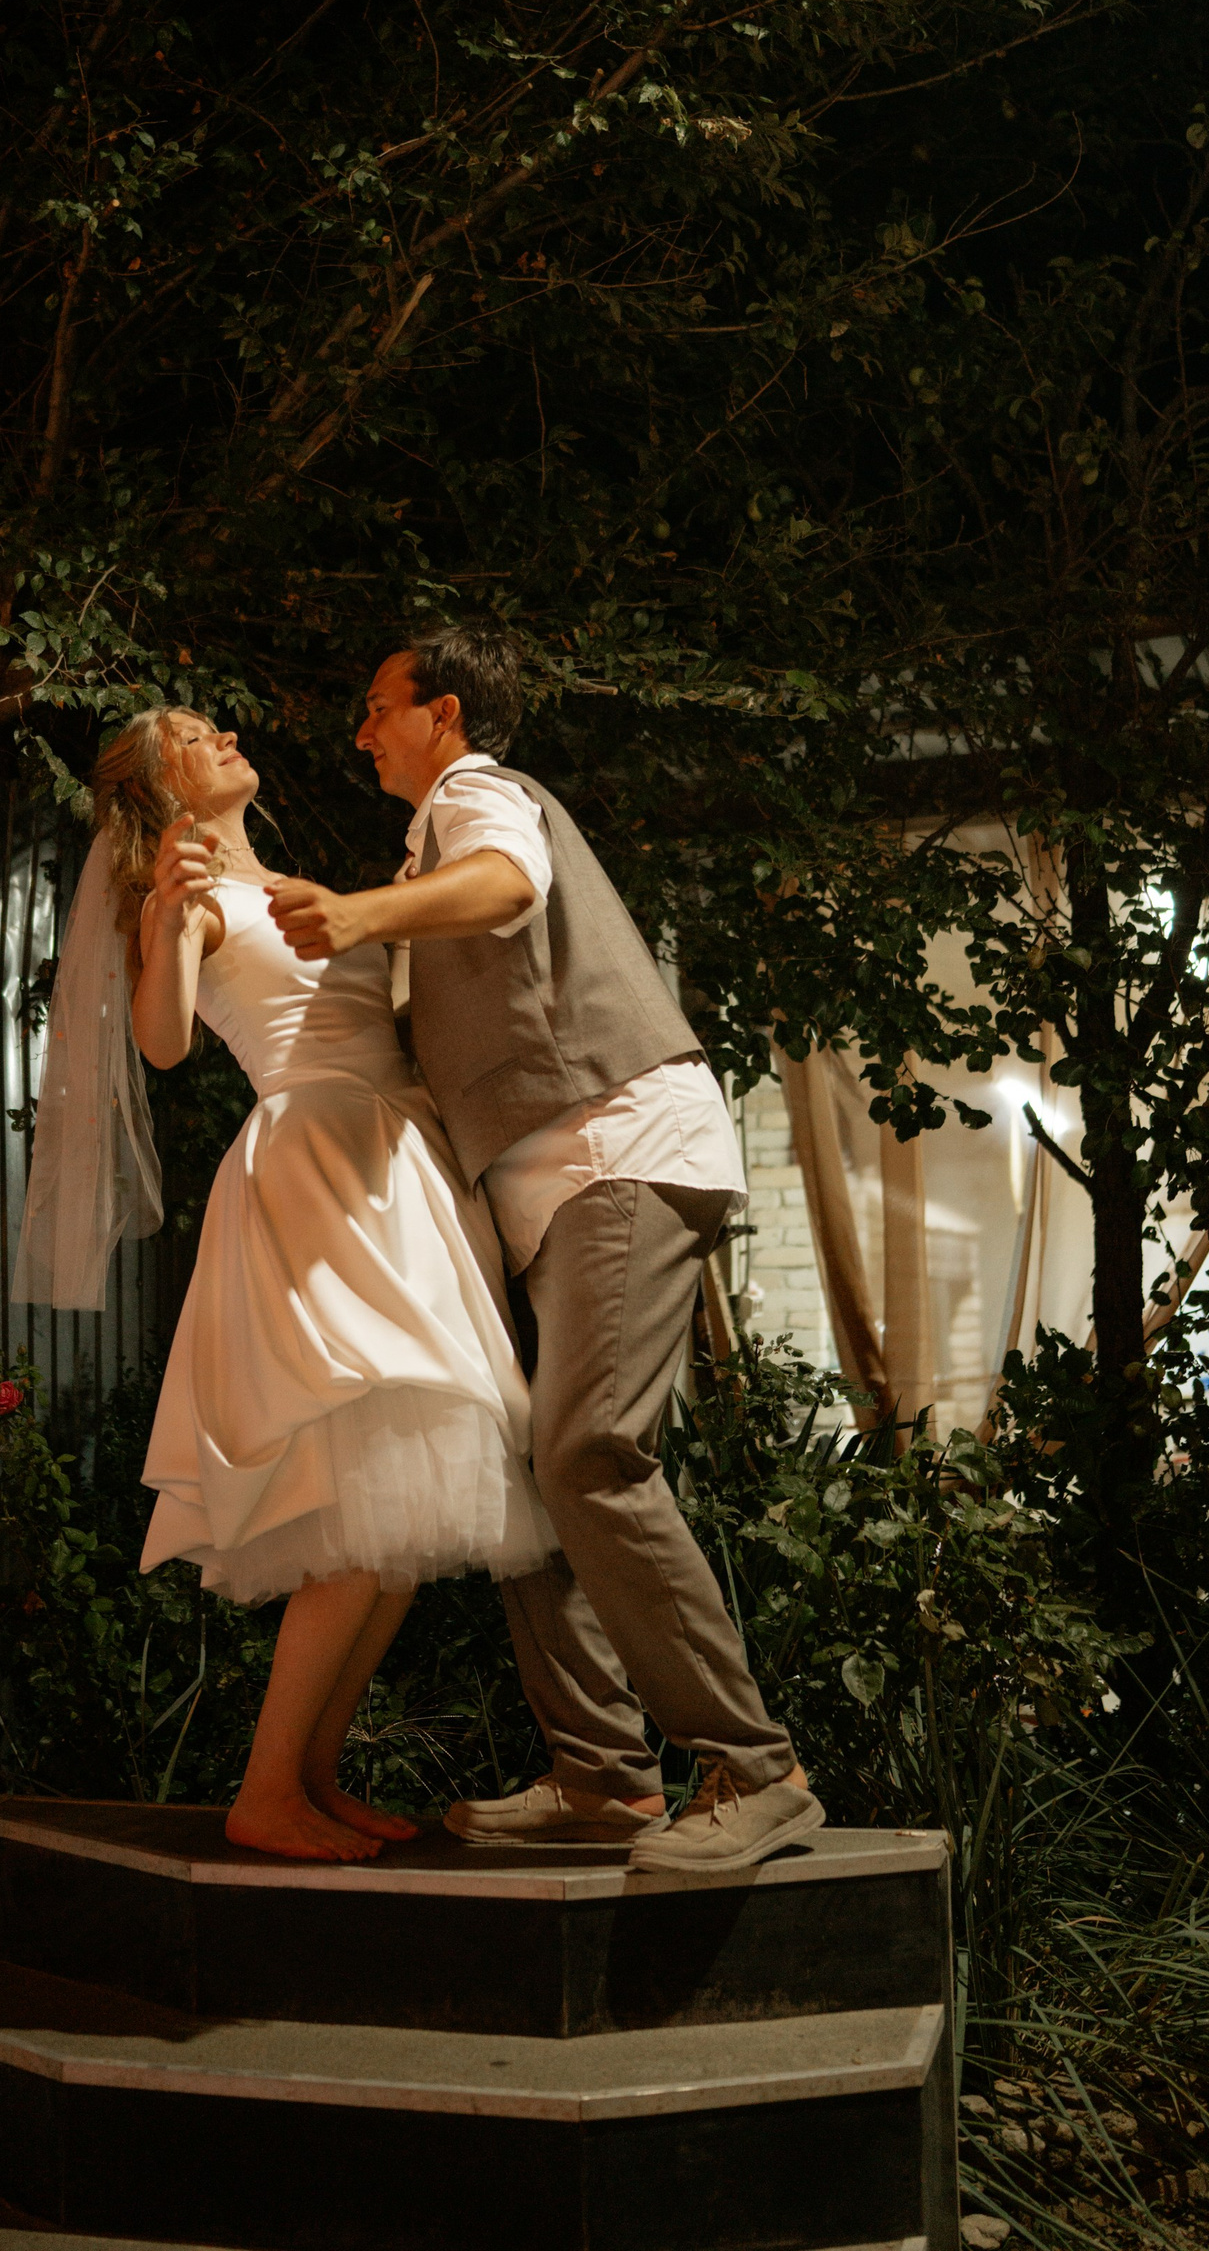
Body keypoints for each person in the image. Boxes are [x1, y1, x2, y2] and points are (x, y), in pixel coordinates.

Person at [271, 618, 824, 1874]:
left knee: (589, 1453)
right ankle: (604, 1777)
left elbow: (511, 886)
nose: (360, 733)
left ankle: (757, 1768)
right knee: (530, 1474)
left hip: (615, 1152)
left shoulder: (481, 796)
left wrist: (359, 917)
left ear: (445, 715)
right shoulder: (429, 841)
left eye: (378, 706)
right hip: (548, 1192)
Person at [55, 705, 555, 1866]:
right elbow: (164, 1043)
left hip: (398, 1164)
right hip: (316, 1168)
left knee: (400, 1516)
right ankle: (266, 1787)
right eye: (193, 736)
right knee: (364, 1491)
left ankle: (313, 1777)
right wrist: (166, 919)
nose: (223, 734)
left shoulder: (300, 884)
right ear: (162, 789)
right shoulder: (187, 900)